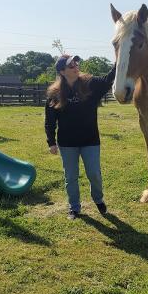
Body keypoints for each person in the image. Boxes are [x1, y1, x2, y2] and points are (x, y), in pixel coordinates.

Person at [45, 54, 116, 220]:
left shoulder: (90, 84)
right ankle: (74, 207)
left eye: (76, 63)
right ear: (62, 71)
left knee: (94, 174)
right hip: (67, 143)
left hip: (90, 140)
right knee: (71, 177)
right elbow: (50, 121)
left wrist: (119, 60)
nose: (76, 66)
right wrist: (51, 142)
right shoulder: (54, 94)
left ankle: (98, 199)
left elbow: (108, 79)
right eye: (71, 65)